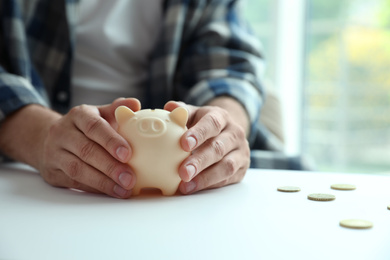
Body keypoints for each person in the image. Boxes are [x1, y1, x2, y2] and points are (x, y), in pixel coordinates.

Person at [0, 0, 306, 199]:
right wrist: (39, 136)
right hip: (25, 168)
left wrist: (221, 127)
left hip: (188, 181)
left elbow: (228, 63)